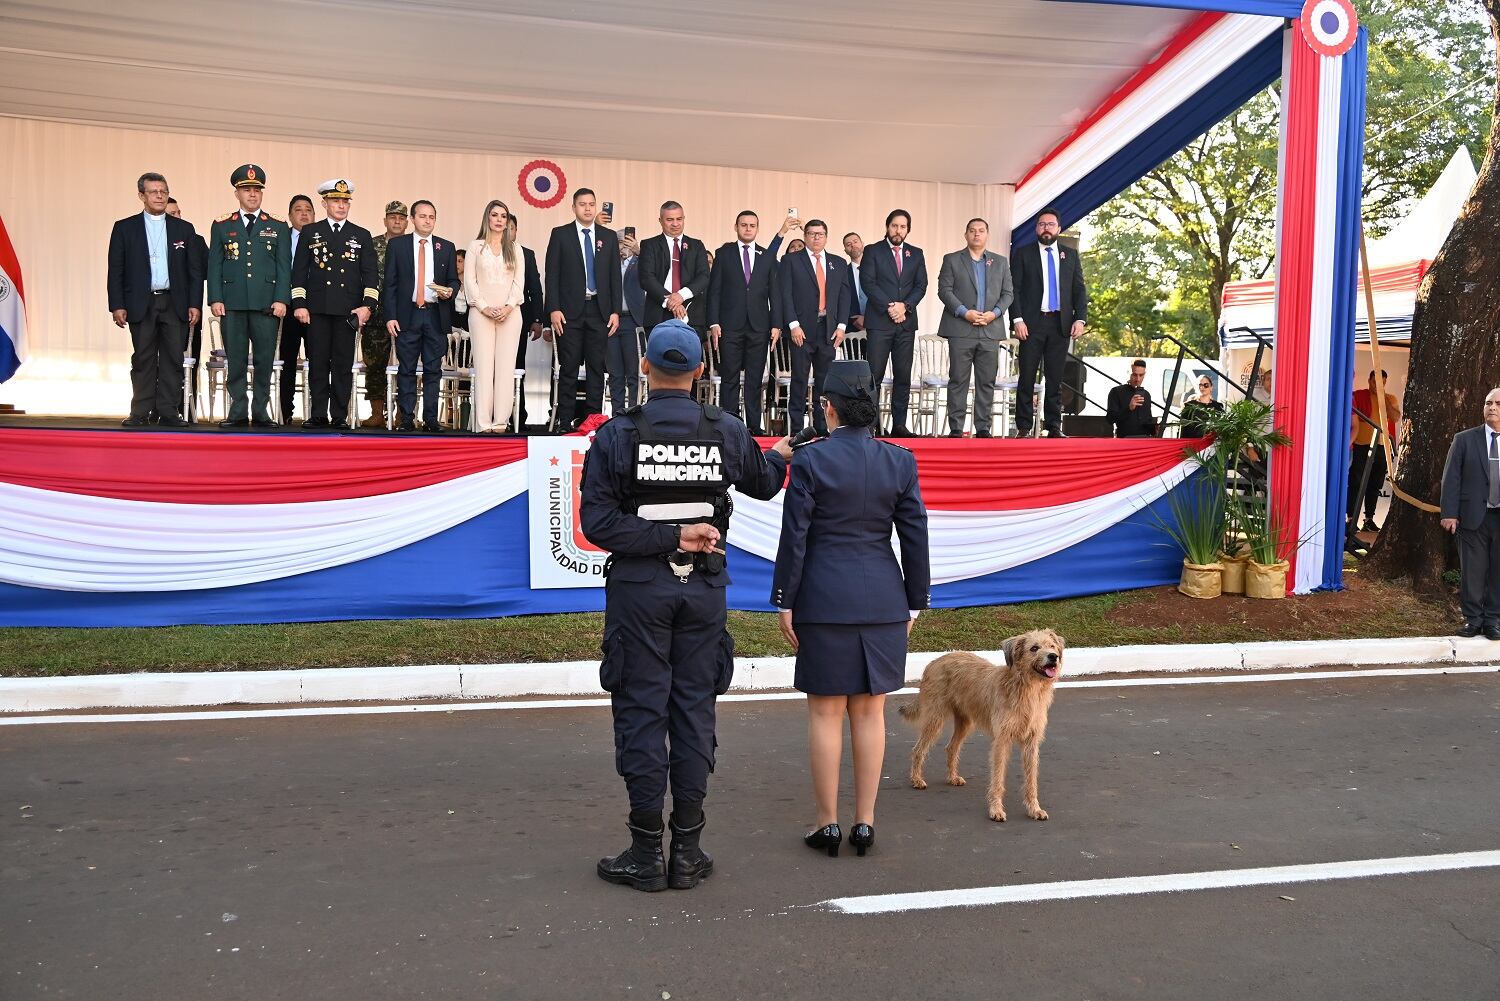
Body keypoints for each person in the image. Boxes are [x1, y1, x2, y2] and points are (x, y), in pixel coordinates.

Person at [581, 319, 792, 892]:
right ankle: (688, 851)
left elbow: (597, 524)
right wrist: (777, 455)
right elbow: (764, 483)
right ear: (700, 372)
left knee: (643, 710)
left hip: (640, 591)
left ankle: (647, 852)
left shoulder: (617, 434)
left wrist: (666, 536)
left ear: (646, 367)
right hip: (703, 591)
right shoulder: (724, 429)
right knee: (694, 712)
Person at [772, 359, 930, 858]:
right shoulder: (899, 460)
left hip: (822, 597)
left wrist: (785, 600)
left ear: (828, 408)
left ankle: (827, 825)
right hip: (883, 597)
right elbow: (915, 537)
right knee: (870, 712)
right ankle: (865, 823)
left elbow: (794, 538)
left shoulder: (812, 461)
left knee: (825, 713)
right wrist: (915, 600)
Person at [108, 172, 203, 427]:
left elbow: (194, 271)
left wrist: (195, 303)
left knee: (173, 358)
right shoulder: (124, 227)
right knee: (143, 358)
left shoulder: (184, 228)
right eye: (153, 191)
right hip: (141, 303)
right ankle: (140, 412)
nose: (160, 195)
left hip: (175, 303)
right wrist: (117, 305)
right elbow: (115, 269)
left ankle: (168, 412)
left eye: (163, 191)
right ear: (142, 196)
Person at [290, 178, 379, 430]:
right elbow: (299, 272)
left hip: (347, 312)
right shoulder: (310, 232)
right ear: (324, 203)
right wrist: (299, 303)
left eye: (345, 201)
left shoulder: (360, 235)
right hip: (317, 309)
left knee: (342, 364)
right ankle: (318, 413)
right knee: (317, 362)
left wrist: (367, 306)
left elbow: (371, 275)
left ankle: (339, 414)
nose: (341, 206)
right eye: (335, 201)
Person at [206, 164, 290, 429]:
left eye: (256, 190)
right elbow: (215, 265)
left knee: (265, 360)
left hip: (267, 304)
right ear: (237, 193)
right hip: (232, 303)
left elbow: (283, 266)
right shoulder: (221, 225)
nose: (252, 195)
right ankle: (238, 411)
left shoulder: (277, 225)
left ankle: (261, 412)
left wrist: (281, 299)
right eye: (246, 190)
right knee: (237, 358)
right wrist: (215, 298)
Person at [708, 210, 794, 433]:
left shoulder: (766, 257)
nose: (748, 228)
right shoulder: (723, 254)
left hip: (759, 327)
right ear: (735, 227)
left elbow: (774, 294)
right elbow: (714, 291)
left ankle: (754, 426)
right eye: (743, 225)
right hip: (729, 326)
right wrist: (714, 322)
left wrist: (776, 324)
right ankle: (728, 425)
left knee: (756, 379)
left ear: (757, 228)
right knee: (730, 377)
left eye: (752, 225)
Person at [545, 188, 621, 430]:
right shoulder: (560, 234)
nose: (587, 208)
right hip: (568, 312)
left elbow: (614, 278)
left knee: (596, 368)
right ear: (573, 207)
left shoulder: (608, 237)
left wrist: (615, 311)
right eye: (582, 204)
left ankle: (592, 421)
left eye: (591, 204)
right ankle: (565, 420)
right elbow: (552, 274)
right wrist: (553, 308)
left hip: (600, 311)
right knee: (568, 368)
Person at [1010, 207, 1088, 438]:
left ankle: (1054, 425)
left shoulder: (1069, 255)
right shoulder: (1024, 254)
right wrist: (1017, 319)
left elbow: (1079, 289)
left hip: (1060, 325)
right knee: (1027, 376)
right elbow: (1014, 289)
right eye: (1042, 224)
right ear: (1036, 228)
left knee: (1055, 378)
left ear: (1059, 228)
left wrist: (1080, 319)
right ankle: (1023, 427)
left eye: (1050, 224)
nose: (1046, 228)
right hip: (1031, 325)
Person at [935, 218, 1013, 438]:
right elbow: (944, 290)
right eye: (972, 231)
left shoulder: (1000, 262)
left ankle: (983, 428)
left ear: (987, 234)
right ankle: (956, 428)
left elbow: (1008, 294)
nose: (976, 234)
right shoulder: (951, 259)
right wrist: (964, 311)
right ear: (966, 234)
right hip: (961, 328)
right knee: (958, 379)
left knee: (986, 381)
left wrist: (994, 314)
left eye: (981, 231)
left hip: (991, 329)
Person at [384, 200, 457, 432]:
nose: (427, 220)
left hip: (435, 315)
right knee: (406, 368)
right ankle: (406, 418)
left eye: (431, 217)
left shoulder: (446, 247)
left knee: (433, 369)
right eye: (423, 216)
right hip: (408, 315)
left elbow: (453, 279)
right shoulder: (398, 245)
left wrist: (450, 290)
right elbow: (390, 284)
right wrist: (390, 315)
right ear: (412, 219)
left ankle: (431, 419)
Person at [777, 220, 851, 435]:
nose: (816, 238)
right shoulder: (791, 261)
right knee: (799, 380)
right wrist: (793, 325)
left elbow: (845, 296)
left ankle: (822, 428)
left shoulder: (837, 263)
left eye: (820, 234)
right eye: (811, 234)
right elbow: (786, 295)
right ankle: (798, 431)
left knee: (824, 383)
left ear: (826, 237)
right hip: (801, 330)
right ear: (806, 236)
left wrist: (842, 326)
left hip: (829, 330)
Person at [858, 210, 929, 436]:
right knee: (874, 377)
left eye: (903, 227)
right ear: (887, 226)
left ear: (908, 229)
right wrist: (891, 307)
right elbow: (867, 282)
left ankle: (899, 425)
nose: (898, 231)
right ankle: (871, 425)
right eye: (894, 226)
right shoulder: (872, 251)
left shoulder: (916, 254)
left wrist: (904, 307)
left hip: (906, 324)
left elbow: (921, 285)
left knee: (903, 376)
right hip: (880, 322)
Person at [1441, 388, 1500, 640]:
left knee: (1498, 571)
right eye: (1488, 402)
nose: (1492, 407)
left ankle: (1493, 620)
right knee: (1472, 572)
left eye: (1498, 403)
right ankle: (1472, 620)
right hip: (1472, 516)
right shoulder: (1464, 439)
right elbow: (1451, 478)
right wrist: (1449, 513)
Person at [467, 200, 527, 433]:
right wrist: (484, 307)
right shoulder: (475, 246)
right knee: (483, 368)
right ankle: (483, 424)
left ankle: (500, 423)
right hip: (481, 314)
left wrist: (508, 307)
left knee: (505, 369)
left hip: (510, 315)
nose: (500, 219)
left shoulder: (516, 249)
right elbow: (469, 281)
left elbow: (518, 283)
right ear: (487, 218)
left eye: (504, 216)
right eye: (495, 215)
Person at [357, 201, 409, 427]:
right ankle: (377, 412)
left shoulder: (414, 246)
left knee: (405, 366)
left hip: (405, 316)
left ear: (407, 222)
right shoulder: (372, 245)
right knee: (374, 365)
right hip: (376, 315)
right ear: (385, 220)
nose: (397, 221)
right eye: (392, 217)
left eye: (401, 218)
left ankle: (402, 413)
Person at [638, 201, 710, 338]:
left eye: (679, 219)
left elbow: (704, 276)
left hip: (691, 315)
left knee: (691, 359)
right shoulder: (649, 245)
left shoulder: (697, 245)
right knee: (659, 359)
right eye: (670, 220)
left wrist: (681, 295)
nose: (675, 224)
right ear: (660, 221)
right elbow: (646, 278)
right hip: (658, 315)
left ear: (684, 219)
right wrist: (672, 303)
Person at [167, 197, 209, 412]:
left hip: (189, 312)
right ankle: (160, 407)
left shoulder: (195, 239)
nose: (176, 217)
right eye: (171, 214)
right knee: (161, 362)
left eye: (178, 213)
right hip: (162, 310)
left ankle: (185, 409)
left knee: (189, 361)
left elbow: (204, 272)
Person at [278, 194, 316, 424]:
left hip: (315, 309)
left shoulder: (321, 237)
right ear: (290, 215)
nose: (304, 213)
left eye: (308, 209)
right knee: (287, 362)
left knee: (319, 362)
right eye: (298, 210)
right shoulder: (281, 237)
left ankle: (316, 413)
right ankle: (285, 412)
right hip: (288, 308)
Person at [1349, 369, 1401, 532]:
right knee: (1356, 482)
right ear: (1368, 380)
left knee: (1375, 484)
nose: (1377, 385)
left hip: (1381, 446)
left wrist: (1383, 398)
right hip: (1361, 445)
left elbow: (1395, 417)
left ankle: (1369, 519)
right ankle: (1351, 518)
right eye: (1375, 382)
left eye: (1382, 383)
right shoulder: (1358, 395)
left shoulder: (1390, 398)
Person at [610, 229, 645, 414]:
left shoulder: (642, 263)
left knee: (633, 372)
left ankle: (632, 412)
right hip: (612, 321)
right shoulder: (610, 263)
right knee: (615, 372)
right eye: (620, 243)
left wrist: (639, 251)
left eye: (628, 241)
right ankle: (616, 413)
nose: (624, 246)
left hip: (633, 321)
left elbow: (657, 271)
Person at [1106, 359, 1156, 438]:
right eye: (1135, 375)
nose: (1138, 379)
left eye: (1141, 375)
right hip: (1125, 440)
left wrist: (1155, 428)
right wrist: (1129, 408)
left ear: (1144, 374)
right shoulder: (1116, 392)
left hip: (1145, 440)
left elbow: (1148, 420)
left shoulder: (1146, 394)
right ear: (1129, 373)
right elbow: (1110, 419)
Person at [842, 232, 868, 333]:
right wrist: (854, 318)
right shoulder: (842, 273)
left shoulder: (877, 269)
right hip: (852, 328)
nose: (852, 245)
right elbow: (840, 298)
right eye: (848, 244)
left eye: (855, 241)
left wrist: (869, 318)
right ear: (845, 251)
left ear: (862, 243)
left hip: (878, 326)